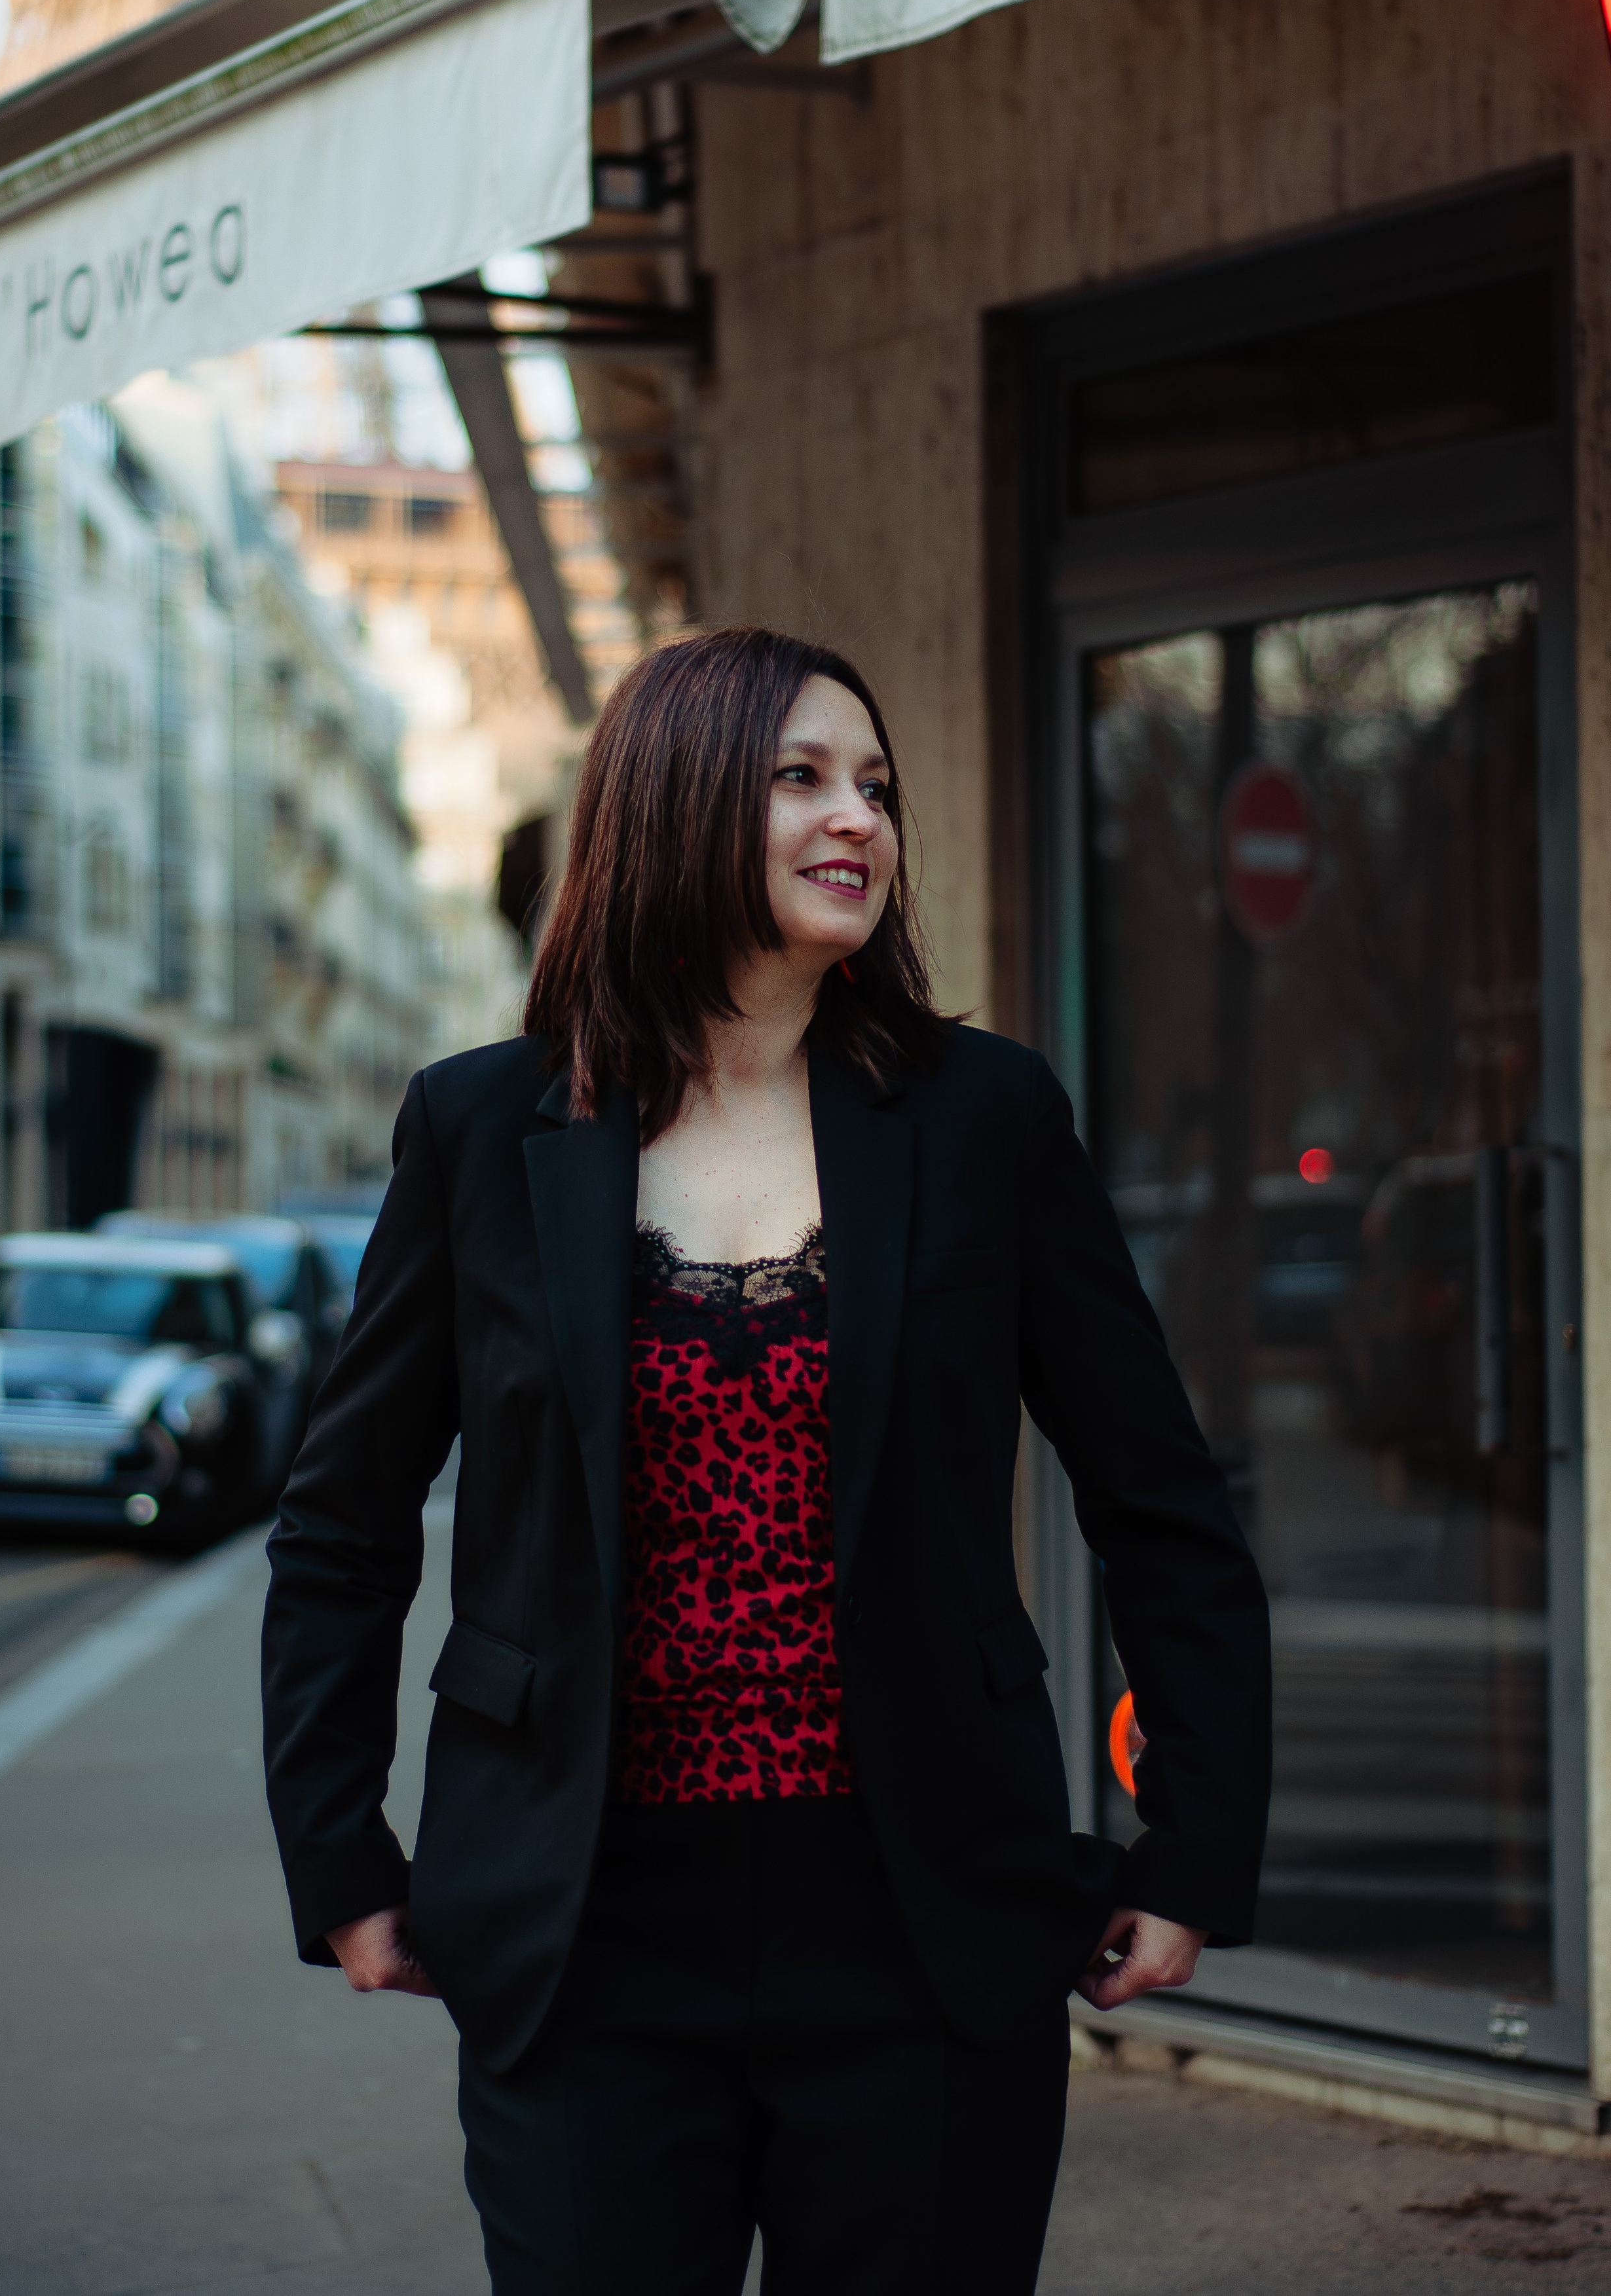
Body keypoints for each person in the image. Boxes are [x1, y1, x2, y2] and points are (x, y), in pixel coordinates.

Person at [261, 626, 1271, 2296]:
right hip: (581, 1928)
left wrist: (1193, 1846)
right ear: (673, 802)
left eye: (872, 783)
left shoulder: (983, 1119)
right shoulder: (482, 1128)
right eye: (800, 774)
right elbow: (341, 1524)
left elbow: (1160, 1502)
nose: (855, 817)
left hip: (920, 1916)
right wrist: (340, 1855)